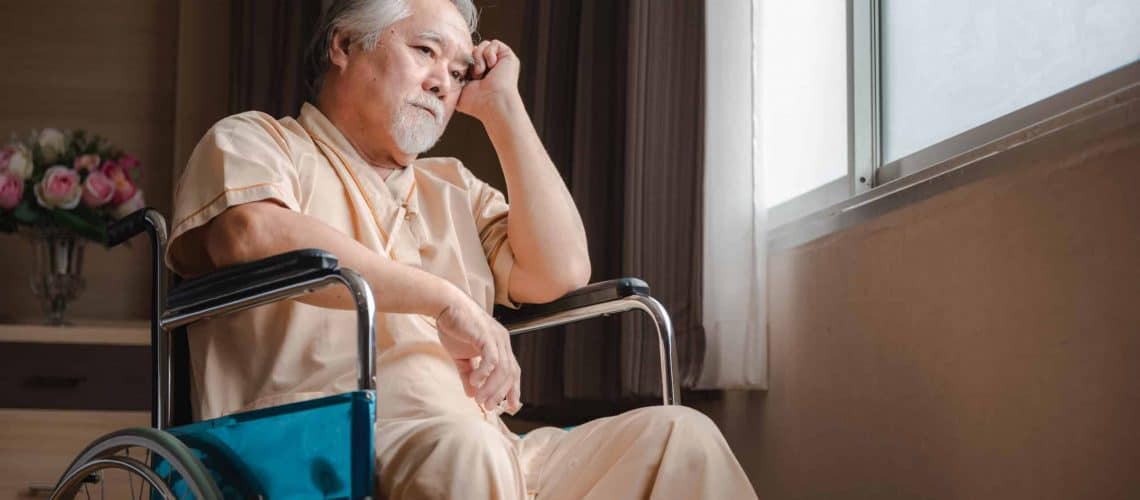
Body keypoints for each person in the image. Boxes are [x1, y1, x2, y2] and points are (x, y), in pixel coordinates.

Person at [167, 0, 758, 498]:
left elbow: (561, 271)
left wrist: (504, 110)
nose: (442, 83)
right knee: (466, 451)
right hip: (318, 450)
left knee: (681, 438)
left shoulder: (453, 187)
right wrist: (444, 300)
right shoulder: (256, 140)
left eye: (457, 71)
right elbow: (251, 234)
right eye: (425, 51)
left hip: (492, 450)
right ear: (344, 45)